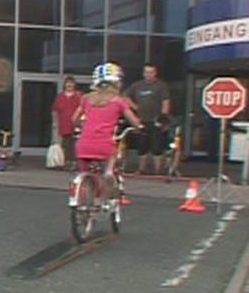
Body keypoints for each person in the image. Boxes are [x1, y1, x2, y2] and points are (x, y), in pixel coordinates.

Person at [72, 62, 143, 205]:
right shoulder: (118, 101)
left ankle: (85, 196)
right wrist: (139, 126)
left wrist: (82, 126)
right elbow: (133, 121)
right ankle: (109, 172)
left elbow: (74, 119)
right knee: (111, 156)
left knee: (86, 172)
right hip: (104, 144)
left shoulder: (86, 99)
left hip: (84, 144)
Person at [125, 63, 170, 175]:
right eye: (146, 72)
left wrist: (163, 117)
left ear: (155, 73)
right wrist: (135, 107)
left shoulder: (161, 85)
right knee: (142, 146)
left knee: (156, 146)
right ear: (143, 73)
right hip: (141, 120)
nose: (148, 74)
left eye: (151, 72)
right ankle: (141, 169)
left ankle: (157, 171)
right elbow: (125, 96)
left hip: (156, 120)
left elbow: (166, 101)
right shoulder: (137, 85)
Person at [51, 76, 82, 171]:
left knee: (75, 145)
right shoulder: (60, 97)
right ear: (64, 85)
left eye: (71, 83)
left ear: (74, 85)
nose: (69, 85)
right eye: (67, 83)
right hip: (64, 125)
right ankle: (66, 162)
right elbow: (54, 111)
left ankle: (75, 163)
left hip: (77, 125)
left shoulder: (79, 96)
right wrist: (55, 123)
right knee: (65, 144)